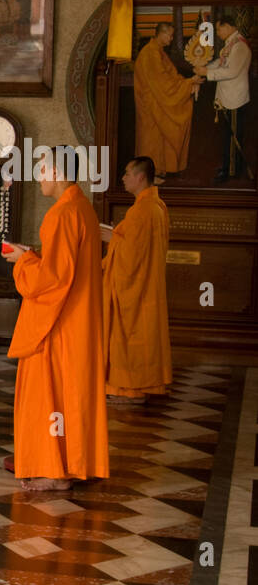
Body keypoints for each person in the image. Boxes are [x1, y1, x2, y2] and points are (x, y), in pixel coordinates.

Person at [2, 147, 109, 491]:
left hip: (59, 323)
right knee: (70, 395)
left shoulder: (63, 214)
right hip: (78, 322)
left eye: (42, 168)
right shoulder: (83, 209)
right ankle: (70, 462)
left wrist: (22, 261)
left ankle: (52, 469)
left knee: (49, 394)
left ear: (58, 172)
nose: (38, 176)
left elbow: (52, 279)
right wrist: (32, 256)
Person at [102, 156, 172, 404]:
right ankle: (141, 385)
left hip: (134, 288)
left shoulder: (141, 211)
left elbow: (129, 255)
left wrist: (111, 238)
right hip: (147, 286)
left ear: (140, 177)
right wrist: (118, 236)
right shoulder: (157, 207)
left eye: (127, 173)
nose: (123, 178)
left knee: (128, 335)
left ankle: (128, 388)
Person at [133, 23, 201, 174]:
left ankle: (159, 169)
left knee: (160, 139)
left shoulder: (158, 52)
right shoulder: (150, 54)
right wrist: (189, 83)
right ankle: (150, 174)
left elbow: (171, 76)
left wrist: (188, 82)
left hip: (158, 102)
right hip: (151, 105)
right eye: (170, 35)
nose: (171, 39)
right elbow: (163, 84)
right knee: (151, 139)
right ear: (161, 34)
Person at [197, 15, 251, 182]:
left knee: (233, 136)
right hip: (228, 97)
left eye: (219, 29)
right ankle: (229, 166)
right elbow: (221, 63)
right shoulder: (232, 43)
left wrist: (207, 73)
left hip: (235, 99)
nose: (218, 32)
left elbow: (232, 72)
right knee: (227, 135)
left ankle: (232, 172)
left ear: (228, 26)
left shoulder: (240, 46)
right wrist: (206, 68)